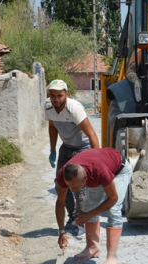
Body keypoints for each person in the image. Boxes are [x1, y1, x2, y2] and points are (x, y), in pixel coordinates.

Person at [55, 148, 132, 264]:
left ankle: (112, 257)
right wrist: (62, 231)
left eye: (77, 187)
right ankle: (92, 248)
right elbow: (60, 202)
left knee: (114, 210)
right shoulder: (64, 174)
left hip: (119, 171)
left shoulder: (98, 170)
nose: (73, 191)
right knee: (87, 207)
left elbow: (113, 198)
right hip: (99, 176)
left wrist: (90, 215)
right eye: (70, 187)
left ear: (85, 177)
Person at [45, 79, 99, 235]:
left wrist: (96, 159)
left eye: (59, 95)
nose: (56, 99)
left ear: (66, 94)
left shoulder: (74, 109)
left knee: (79, 187)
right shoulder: (48, 107)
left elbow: (92, 134)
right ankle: (72, 217)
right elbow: (52, 126)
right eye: (52, 95)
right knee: (60, 184)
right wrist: (53, 149)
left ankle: (82, 223)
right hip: (66, 148)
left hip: (82, 148)